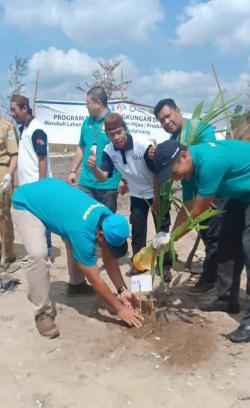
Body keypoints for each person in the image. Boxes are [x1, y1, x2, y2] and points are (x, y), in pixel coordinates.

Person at [11, 178, 143, 338]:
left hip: (53, 197)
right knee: (39, 254)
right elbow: (95, 280)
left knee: (75, 240)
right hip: (26, 203)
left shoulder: (108, 218)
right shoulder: (83, 231)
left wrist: (122, 290)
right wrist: (120, 309)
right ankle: (42, 313)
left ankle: (77, 285)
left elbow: (109, 259)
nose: (109, 250)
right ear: (100, 235)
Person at [152, 139, 250, 343]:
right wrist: (169, 235)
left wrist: (170, 240)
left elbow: (198, 211)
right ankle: (226, 299)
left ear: (184, 156)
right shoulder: (189, 168)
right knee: (226, 244)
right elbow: (187, 208)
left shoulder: (210, 162)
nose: (176, 178)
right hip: (240, 196)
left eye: (174, 171)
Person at [149, 98, 227, 295]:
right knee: (205, 233)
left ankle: (211, 279)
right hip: (193, 190)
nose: (166, 122)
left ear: (179, 110)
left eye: (168, 116)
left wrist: (172, 237)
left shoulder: (200, 129)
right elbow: (181, 180)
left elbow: (209, 154)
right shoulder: (174, 141)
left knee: (215, 236)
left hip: (214, 191)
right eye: (161, 120)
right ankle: (213, 276)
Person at [87, 113, 171, 278]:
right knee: (138, 230)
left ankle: (165, 265)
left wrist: (155, 197)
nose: (117, 137)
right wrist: (94, 169)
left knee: (162, 230)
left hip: (156, 191)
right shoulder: (108, 151)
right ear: (108, 135)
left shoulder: (142, 144)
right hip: (137, 194)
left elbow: (156, 172)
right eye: (112, 134)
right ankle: (139, 264)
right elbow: (104, 176)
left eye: (119, 132)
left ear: (125, 129)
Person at [10, 94, 53, 254]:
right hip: (28, 187)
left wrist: (40, 186)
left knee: (42, 220)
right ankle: (38, 252)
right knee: (33, 222)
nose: (13, 114)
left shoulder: (37, 129)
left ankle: (46, 251)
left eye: (14, 110)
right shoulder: (24, 128)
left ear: (25, 108)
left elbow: (42, 158)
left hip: (37, 186)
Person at [68, 86, 121, 213]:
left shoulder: (114, 121)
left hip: (108, 185)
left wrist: (124, 179)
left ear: (98, 103)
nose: (86, 106)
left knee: (106, 225)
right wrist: (73, 171)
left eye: (88, 103)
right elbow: (81, 147)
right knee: (85, 223)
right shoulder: (86, 122)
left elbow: (123, 150)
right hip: (86, 184)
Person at [0, 116, 18, 263]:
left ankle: (8, 251)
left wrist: (9, 176)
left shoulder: (6, 126)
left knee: (3, 213)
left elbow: (14, 155)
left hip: (2, 171)